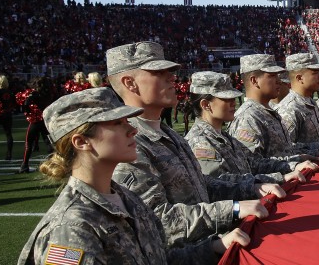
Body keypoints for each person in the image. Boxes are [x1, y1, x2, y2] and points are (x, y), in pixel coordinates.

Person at [18, 88, 248, 265]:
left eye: (128, 121)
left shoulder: (128, 199)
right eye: (117, 123)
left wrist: (214, 247)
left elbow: (160, 259)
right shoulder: (70, 227)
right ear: (81, 141)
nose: (132, 130)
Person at [107, 42, 275, 249]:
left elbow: (201, 184)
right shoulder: (129, 143)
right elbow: (156, 219)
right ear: (130, 83)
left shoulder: (168, 134)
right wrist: (232, 209)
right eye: (159, 72)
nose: (172, 77)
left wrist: (252, 188)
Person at [185, 71, 317, 184]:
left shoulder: (223, 137)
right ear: (206, 105)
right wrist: (278, 178)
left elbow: (254, 164)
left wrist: (292, 165)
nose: (233, 103)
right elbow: (221, 183)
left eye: (234, 98)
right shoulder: (200, 141)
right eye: (226, 99)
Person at [229, 54, 319, 160]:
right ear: (254, 80)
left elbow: (287, 148)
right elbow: (251, 165)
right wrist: (291, 164)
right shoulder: (247, 118)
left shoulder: (267, 112)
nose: (279, 81)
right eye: (272, 75)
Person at [276, 53, 319, 152]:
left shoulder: (309, 101)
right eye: (315, 73)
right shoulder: (290, 108)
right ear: (299, 78)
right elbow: (285, 148)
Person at [18, 77, 55, 174]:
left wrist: (28, 111)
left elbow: (26, 104)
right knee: (48, 143)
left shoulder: (34, 94)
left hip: (35, 121)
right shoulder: (48, 93)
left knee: (28, 143)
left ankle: (24, 166)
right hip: (45, 121)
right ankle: (53, 165)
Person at [0, 75, 16, 160]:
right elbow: (14, 103)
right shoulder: (10, 92)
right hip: (8, 115)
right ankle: (9, 154)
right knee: (8, 134)